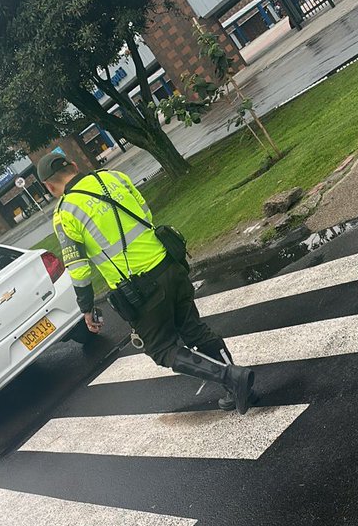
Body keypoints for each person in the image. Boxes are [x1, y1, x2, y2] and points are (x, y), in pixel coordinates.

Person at [38, 152, 256, 413]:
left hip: (141, 289)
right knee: (193, 329)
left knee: (162, 349)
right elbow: (144, 213)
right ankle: (239, 390)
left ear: (49, 187)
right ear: (74, 165)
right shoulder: (113, 177)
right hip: (169, 264)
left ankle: (231, 377)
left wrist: (86, 307)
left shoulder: (65, 213)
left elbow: (78, 268)